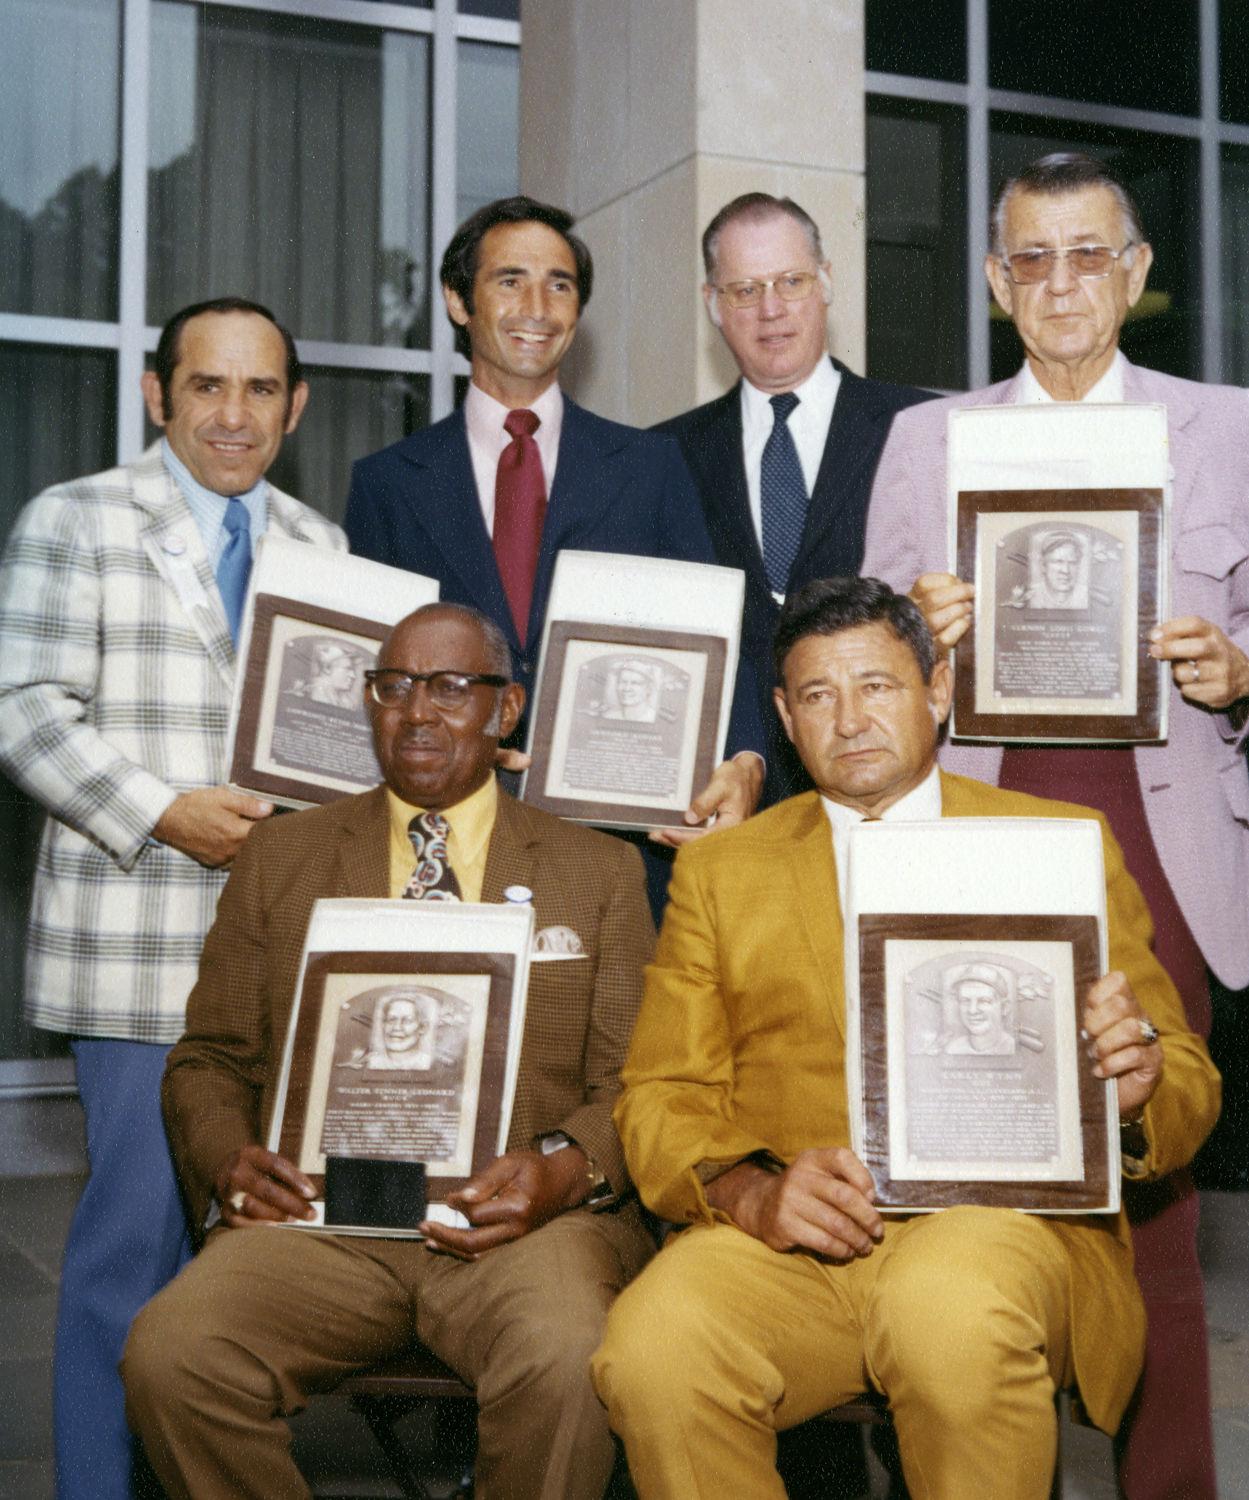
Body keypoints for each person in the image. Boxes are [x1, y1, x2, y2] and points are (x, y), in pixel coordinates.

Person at [591, 577, 1219, 1500]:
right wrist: (751, 1192)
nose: (849, 720)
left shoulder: (1057, 841)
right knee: (653, 1347)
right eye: (817, 696)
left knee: (945, 1315)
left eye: (877, 686)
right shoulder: (723, 872)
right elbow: (659, 1094)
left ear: (937, 690)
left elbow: (1186, 1076)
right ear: (785, 718)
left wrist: (1135, 1090)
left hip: (1003, 1234)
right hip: (794, 1248)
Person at [861, 150, 1248, 1498]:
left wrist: (1238, 670)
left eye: (1090, 255)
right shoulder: (928, 441)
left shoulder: (1228, 429)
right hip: (976, 827)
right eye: (1033, 258)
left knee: (1154, 1179)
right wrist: (918, 639)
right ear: (994, 281)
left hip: (1161, 847)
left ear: (1136, 276)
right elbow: (864, 675)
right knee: (958, 1156)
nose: (1062, 283)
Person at [122, 602, 656, 1500]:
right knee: (173, 1354)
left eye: (449, 687)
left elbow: (634, 1080)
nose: (416, 712)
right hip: (321, 1227)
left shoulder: (597, 870)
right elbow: (210, 1057)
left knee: (569, 1357)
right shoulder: (281, 855)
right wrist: (229, 1160)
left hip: (521, 1229)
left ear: (505, 709)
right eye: (393, 686)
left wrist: (563, 1171)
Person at [0, 297, 345, 1500]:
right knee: (129, 1255)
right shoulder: (77, 518)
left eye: (261, 390)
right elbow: (22, 709)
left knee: (246, 1271)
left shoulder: (324, 546)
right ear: (158, 395)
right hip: (135, 946)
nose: (234, 415)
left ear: (295, 409)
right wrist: (161, 811)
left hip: (285, 967)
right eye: (208, 386)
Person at [344, 196, 765, 889]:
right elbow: (370, 674)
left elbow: (722, 635)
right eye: (510, 280)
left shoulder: (651, 468)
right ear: (457, 301)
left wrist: (745, 761)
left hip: (623, 851)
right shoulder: (388, 484)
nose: (537, 307)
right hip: (445, 847)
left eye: (560, 285)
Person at [656, 193, 936, 804]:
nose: (772, 309)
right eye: (745, 290)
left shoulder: (920, 427)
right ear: (712, 304)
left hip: (889, 786)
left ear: (827, 282)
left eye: (791, 281)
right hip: (727, 796)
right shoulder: (662, 456)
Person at [948, 965, 1016, 1055]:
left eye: (984, 1001)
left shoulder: (1012, 1047)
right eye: (965, 1001)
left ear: (1004, 1008)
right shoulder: (953, 1048)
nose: (972, 1010)